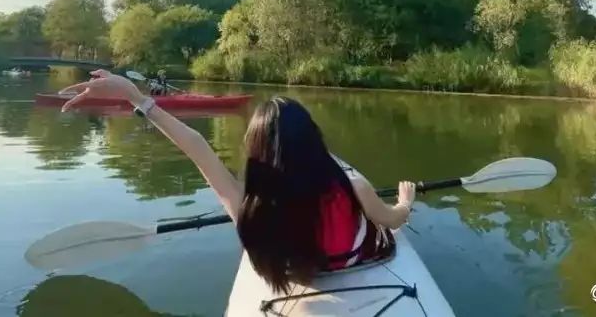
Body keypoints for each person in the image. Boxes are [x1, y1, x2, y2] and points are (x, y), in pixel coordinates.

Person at [62, 70, 416, 293]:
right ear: (313, 140)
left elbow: (196, 146)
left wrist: (136, 98)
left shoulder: (247, 208)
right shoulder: (355, 188)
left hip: (292, 276)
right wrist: (405, 201)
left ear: (256, 154)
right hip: (356, 261)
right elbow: (393, 221)